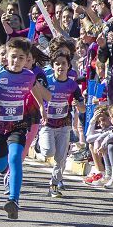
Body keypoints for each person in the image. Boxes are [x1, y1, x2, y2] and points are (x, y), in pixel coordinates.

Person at [0, 37, 52, 219]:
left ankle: (13, 200)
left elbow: (33, 88)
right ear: (6, 57)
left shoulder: (29, 75)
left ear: (27, 59)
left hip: (18, 124)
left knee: (15, 157)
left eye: (21, 58)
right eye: (13, 57)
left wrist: (41, 107)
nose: (17, 61)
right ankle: (6, 174)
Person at [38, 52, 84, 198]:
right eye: (57, 63)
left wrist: (78, 105)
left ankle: (54, 185)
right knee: (48, 152)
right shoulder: (47, 81)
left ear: (68, 66)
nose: (61, 66)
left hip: (64, 125)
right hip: (47, 124)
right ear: (53, 66)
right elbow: (36, 95)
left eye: (63, 63)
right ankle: (40, 144)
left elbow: (83, 108)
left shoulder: (72, 85)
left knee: (60, 158)